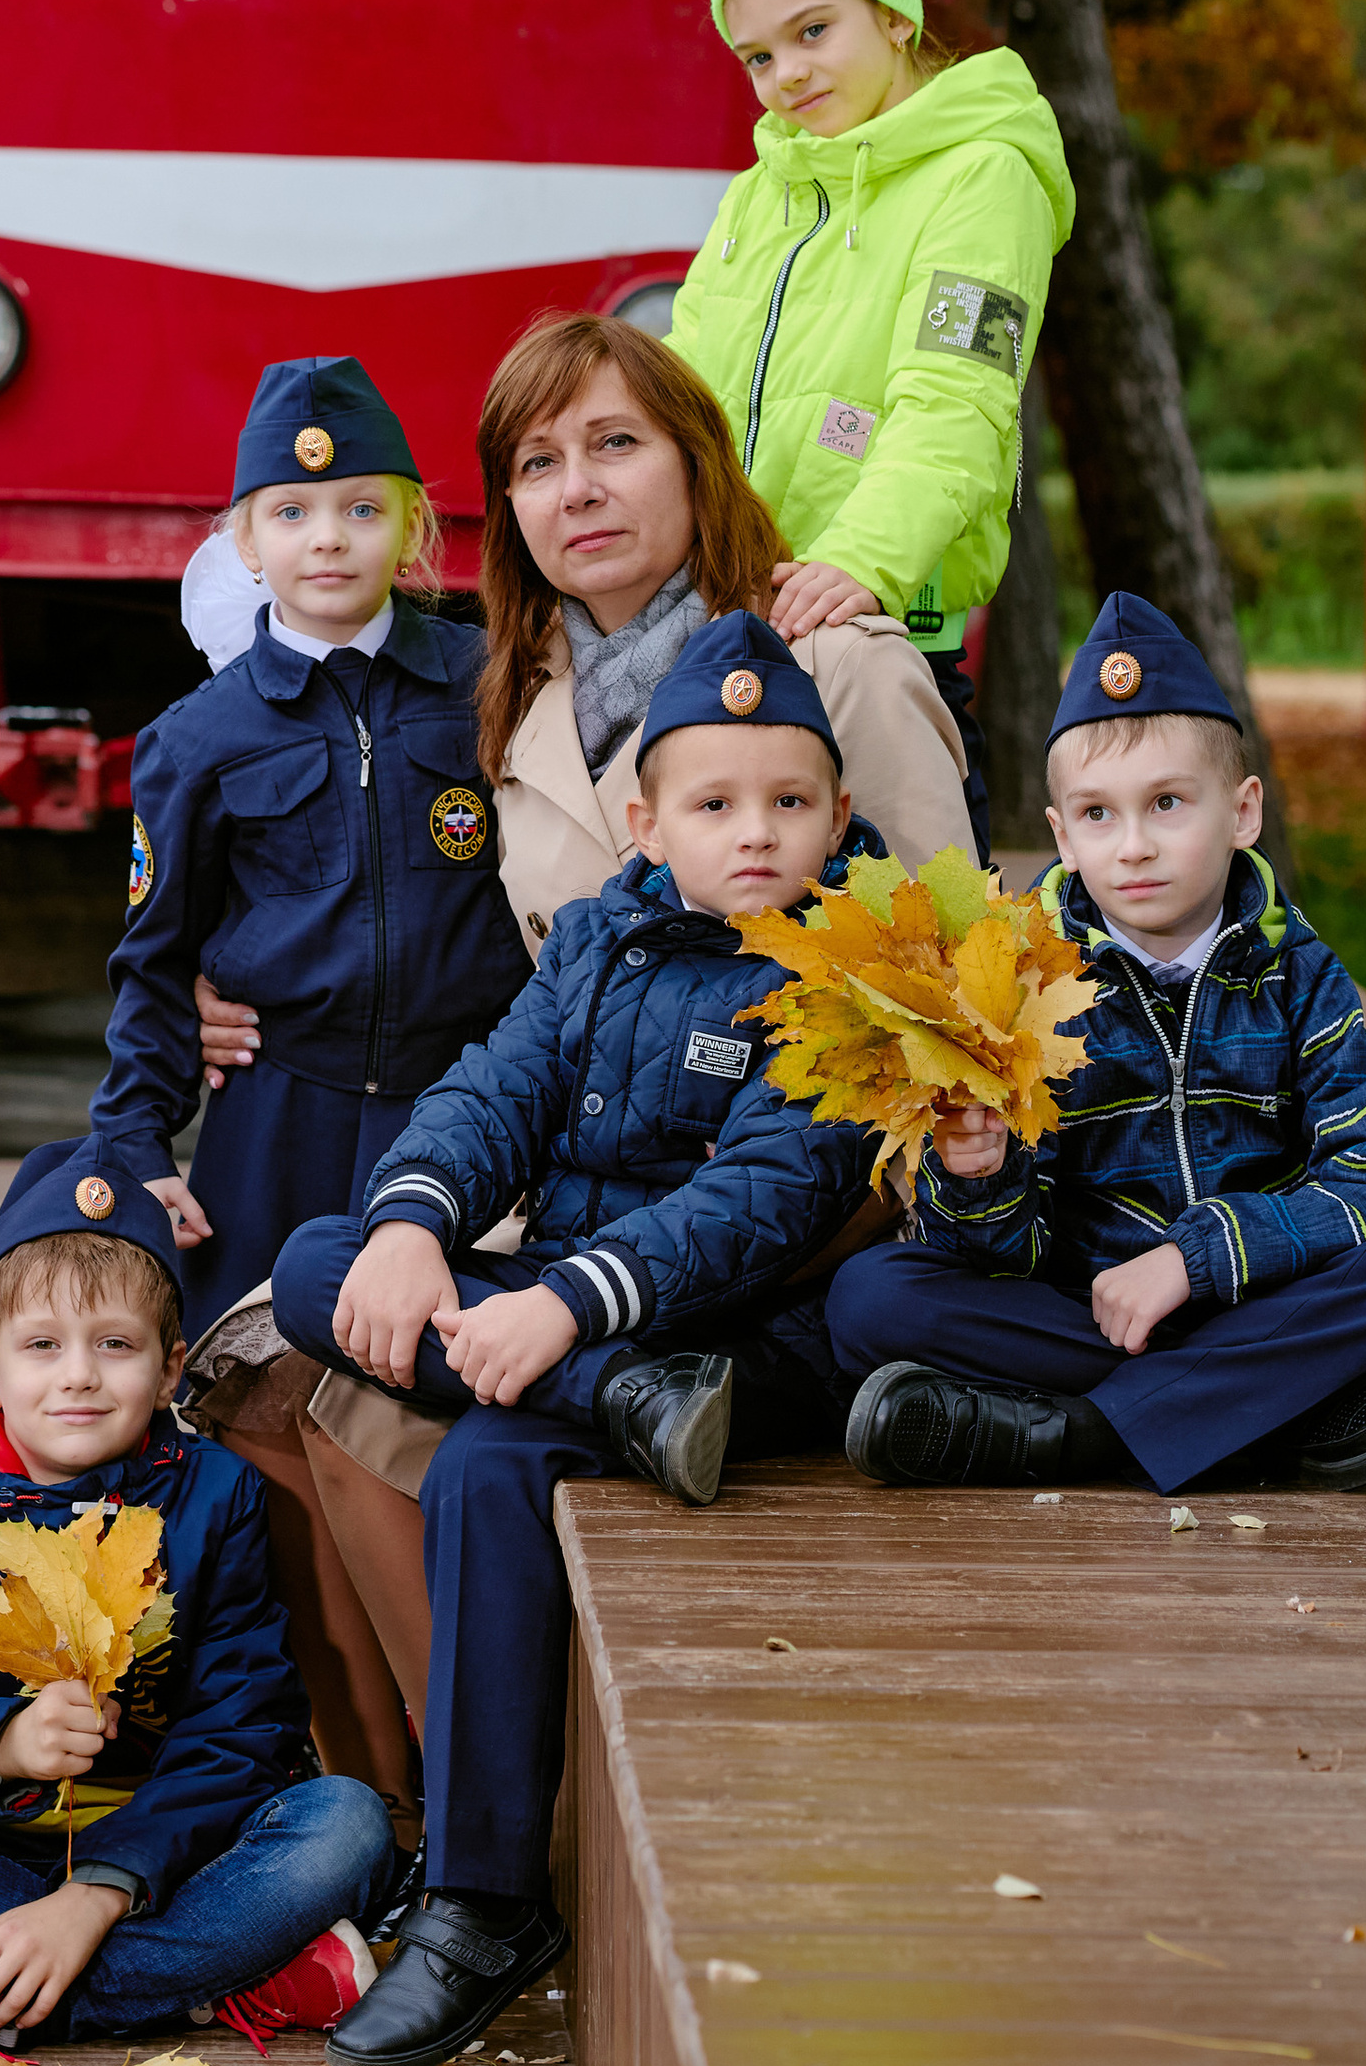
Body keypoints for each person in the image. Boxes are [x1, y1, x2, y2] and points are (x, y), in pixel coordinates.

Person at [194, 312, 961, 1693]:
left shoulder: (833, 667)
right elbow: (470, 948)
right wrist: (218, 972)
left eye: (616, 445)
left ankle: (477, 1816)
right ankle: (402, 1802)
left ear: (697, 465)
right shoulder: (516, 693)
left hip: (798, 1219)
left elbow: (953, 971)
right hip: (582, 1197)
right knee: (287, 1332)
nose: (578, 489)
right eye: (537, 465)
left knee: (400, 1402)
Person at [270, 615, 878, 2066]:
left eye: (789, 805)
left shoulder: (851, 976)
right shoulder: (602, 938)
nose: (754, 835)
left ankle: (481, 1902)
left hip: (737, 1334)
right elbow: (495, 1091)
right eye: (714, 806)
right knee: (316, 1266)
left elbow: (765, 1197)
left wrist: (562, 1305)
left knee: (489, 1465)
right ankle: (619, 1396)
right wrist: (418, 1228)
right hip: (595, 1340)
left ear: (840, 818)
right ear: (642, 818)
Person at [83, 355, 529, 1797]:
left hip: (456, 1121)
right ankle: (342, 1780)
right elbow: (151, 962)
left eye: (356, 507)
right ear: (242, 542)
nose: (324, 538)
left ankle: (464, 1755)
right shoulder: (199, 740)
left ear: (413, 532)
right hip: (277, 1126)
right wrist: (141, 1140)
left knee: (423, 1439)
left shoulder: (484, 687)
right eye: (289, 510)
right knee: (275, 1450)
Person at [827, 593, 1366, 1494]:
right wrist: (979, 1178)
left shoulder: (1294, 972)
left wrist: (1196, 1258)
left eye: (1168, 803)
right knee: (875, 1299)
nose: (1133, 846)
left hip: (1257, 1295)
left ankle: (1072, 1437)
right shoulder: (1020, 979)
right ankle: (1281, 1411)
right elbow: (995, 1253)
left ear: (1242, 811)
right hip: (1080, 1314)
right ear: (1060, 833)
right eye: (1098, 815)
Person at [0, 1142, 400, 2057]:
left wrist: (96, 1895)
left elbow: (245, 1729)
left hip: (168, 1856)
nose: (78, 1374)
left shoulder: (216, 1499)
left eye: (115, 1345)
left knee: (346, 1824)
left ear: (168, 1370)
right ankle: (212, 1984)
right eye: (42, 1346)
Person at [668, 0, 1077, 856]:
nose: (789, 74)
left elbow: (957, 402)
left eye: (813, 31)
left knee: (908, 972)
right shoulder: (758, 196)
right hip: (731, 641)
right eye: (757, 57)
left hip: (879, 641)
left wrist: (860, 559)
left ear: (895, 14)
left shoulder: (982, 176)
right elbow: (676, 393)